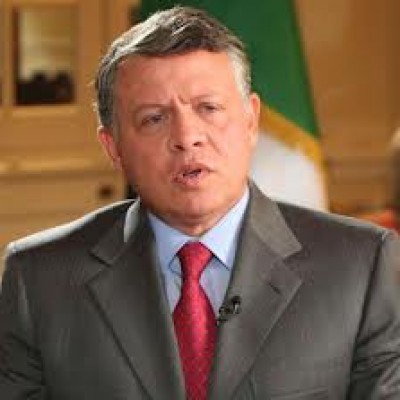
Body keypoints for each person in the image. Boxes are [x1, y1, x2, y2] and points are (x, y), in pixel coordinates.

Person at [1, 6, 400, 400]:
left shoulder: (361, 266)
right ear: (113, 147)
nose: (187, 137)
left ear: (251, 121)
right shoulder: (38, 280)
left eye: (208, 108)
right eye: (154, 118)